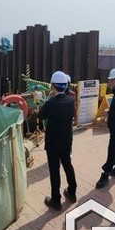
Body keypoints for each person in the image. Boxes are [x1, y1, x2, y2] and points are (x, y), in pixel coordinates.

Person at [38, 71, 77, 210]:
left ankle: (56, 200)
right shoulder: (70, 100)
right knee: (67, 165)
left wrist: (47, 101)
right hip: (66, 140)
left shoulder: (51, 103)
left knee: (54, 171)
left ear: (52, 85)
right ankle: (72, 192)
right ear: (65, 85)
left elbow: (41, 116)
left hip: (53, 143)